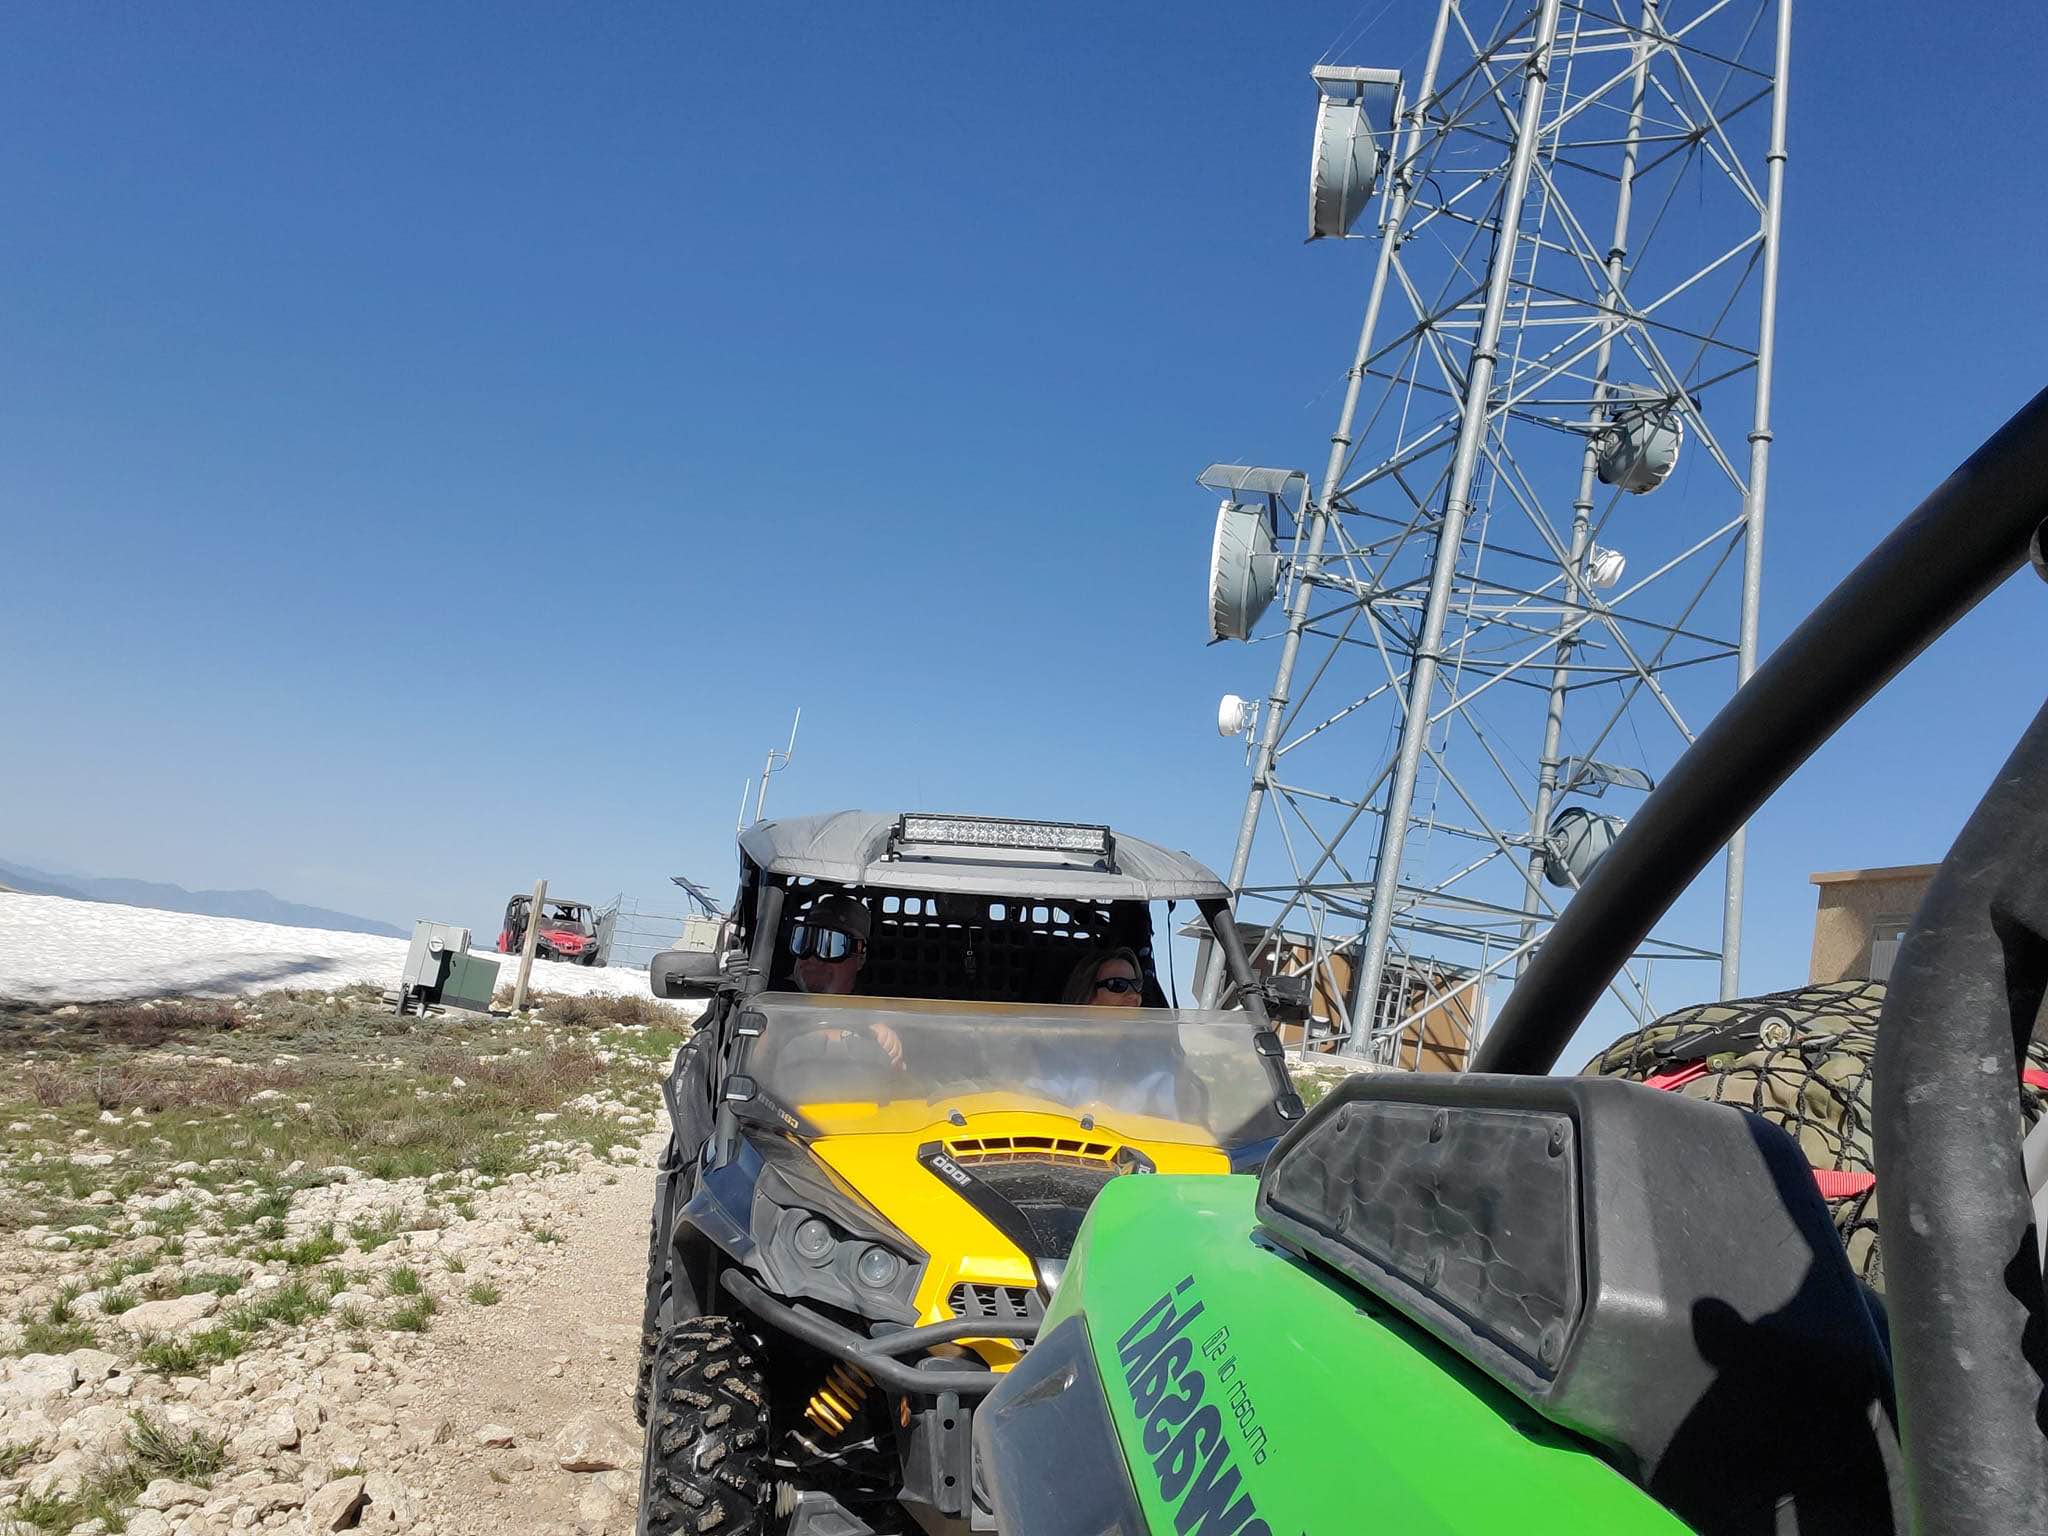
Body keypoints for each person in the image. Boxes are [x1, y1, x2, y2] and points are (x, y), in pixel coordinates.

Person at [784, 892, 902, 1066]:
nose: (814, 958)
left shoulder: (876, 1014)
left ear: (860, 958)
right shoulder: (772, 1001)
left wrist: (888, 1045)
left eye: (831, 944)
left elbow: (901, 1078)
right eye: (805, 941)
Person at [1062, 947, 1148, 1007]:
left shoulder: (1156, 1032)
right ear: (1087, 997)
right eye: (1118, 984)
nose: (1134, 995)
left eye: (1137, 985)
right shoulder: (1056, 1032)